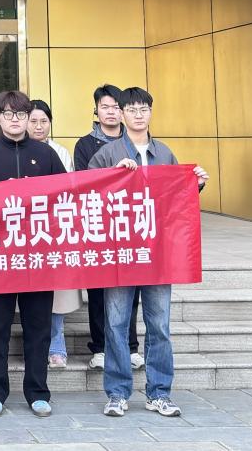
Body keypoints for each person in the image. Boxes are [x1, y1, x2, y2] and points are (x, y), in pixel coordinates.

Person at [90, 87, 208, 421]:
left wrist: (195, 184)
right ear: (121, 114)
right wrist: (114, 176)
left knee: (159, 325)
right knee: (116, 324)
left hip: (157, 253)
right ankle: (117, 393)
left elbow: (176, 199)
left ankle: (159, 393)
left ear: (151, 113)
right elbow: (88, 194)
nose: (139, 115)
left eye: (144, 109)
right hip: (121, 253)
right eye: (132, 109)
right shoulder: (107, 153)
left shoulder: (164, 152)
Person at [0, 91, 67, 419]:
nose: (16, 120)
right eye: (8, 114)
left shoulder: (46, 154)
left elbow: (68, 196)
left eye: (21, 114)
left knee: (38, 327)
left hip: (38, 256)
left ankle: (38, 392)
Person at [74, 84, 142, 371]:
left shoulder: (136, 141)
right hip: (99, 226)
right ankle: (100, 347)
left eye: (116, 107)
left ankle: (131, 346)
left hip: (131, 226)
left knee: (131, 288)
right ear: (96, 110)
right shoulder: (85, 145)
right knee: (98, 290)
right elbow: (82, 183)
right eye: (105, 107)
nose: (111, 112)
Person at [27, 100, 80, 370]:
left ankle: (56, 344)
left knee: (56, 290)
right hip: (22, 231)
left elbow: (70, 190)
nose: (39, 126)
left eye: (43, 121)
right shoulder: (16, 150)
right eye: (33, 121)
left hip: (53, 229)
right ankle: (33, 346)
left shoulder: (61, 152)